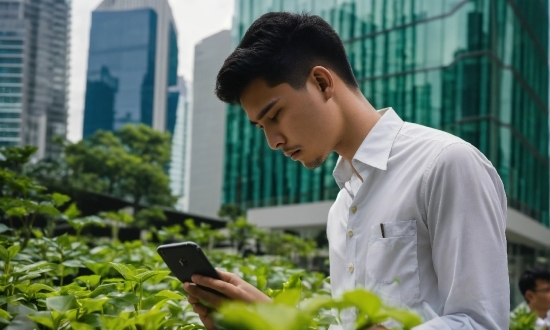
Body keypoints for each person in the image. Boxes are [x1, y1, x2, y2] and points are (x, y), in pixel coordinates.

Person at [183, 12, 509, 329]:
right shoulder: (341, 209)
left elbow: (482, 321)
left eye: (276, 115)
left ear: (322, 82)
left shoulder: (444, 163)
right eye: (260, 126)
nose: (273, 141)